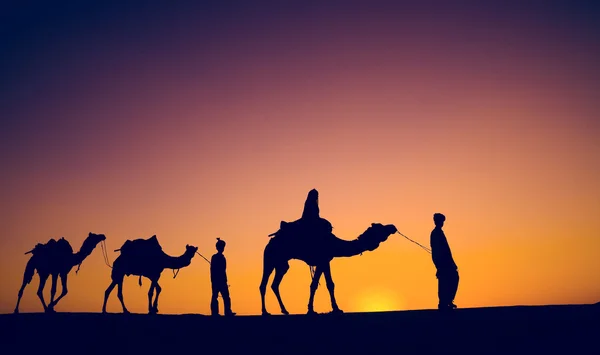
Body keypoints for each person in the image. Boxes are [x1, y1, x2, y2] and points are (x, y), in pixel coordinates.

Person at [430, 213, 459, 310]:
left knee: (450, 279)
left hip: (446, 262)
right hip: (443, 263)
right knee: (446, 281)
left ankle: (447, 302)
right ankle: (444, 303)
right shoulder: (436, 233)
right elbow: (438, 251)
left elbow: (446, 250)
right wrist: (439, 265)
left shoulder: (438, 233)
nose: (442, 223)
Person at [210, 238, 235, 316]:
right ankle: (216, 313)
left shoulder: (219, 257)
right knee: (216, 296)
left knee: (225, 297)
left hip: (221, 281)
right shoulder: (216, 257)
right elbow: (214, 270)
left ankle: (226, 311)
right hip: (218, 281)